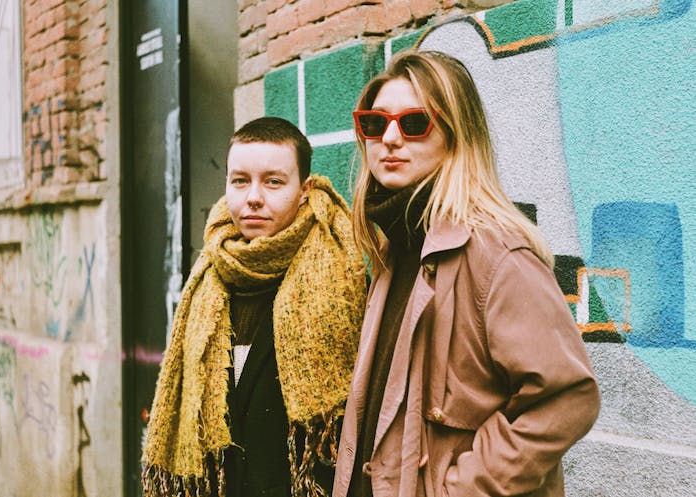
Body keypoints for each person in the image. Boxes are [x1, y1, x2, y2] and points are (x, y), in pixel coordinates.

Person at [332, 50, 601, 497]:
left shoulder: (496, 253)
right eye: (375, 124)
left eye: (415, 123)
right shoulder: (395, 249)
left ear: (456, 135)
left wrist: (463, 486)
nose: (391, 139)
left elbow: (568, 398)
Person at [142, 116, 367, 497]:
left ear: (304, 189)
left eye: (274, 181)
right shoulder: (208, 278)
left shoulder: (345, 277)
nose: (254, 197)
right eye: (240, 180)